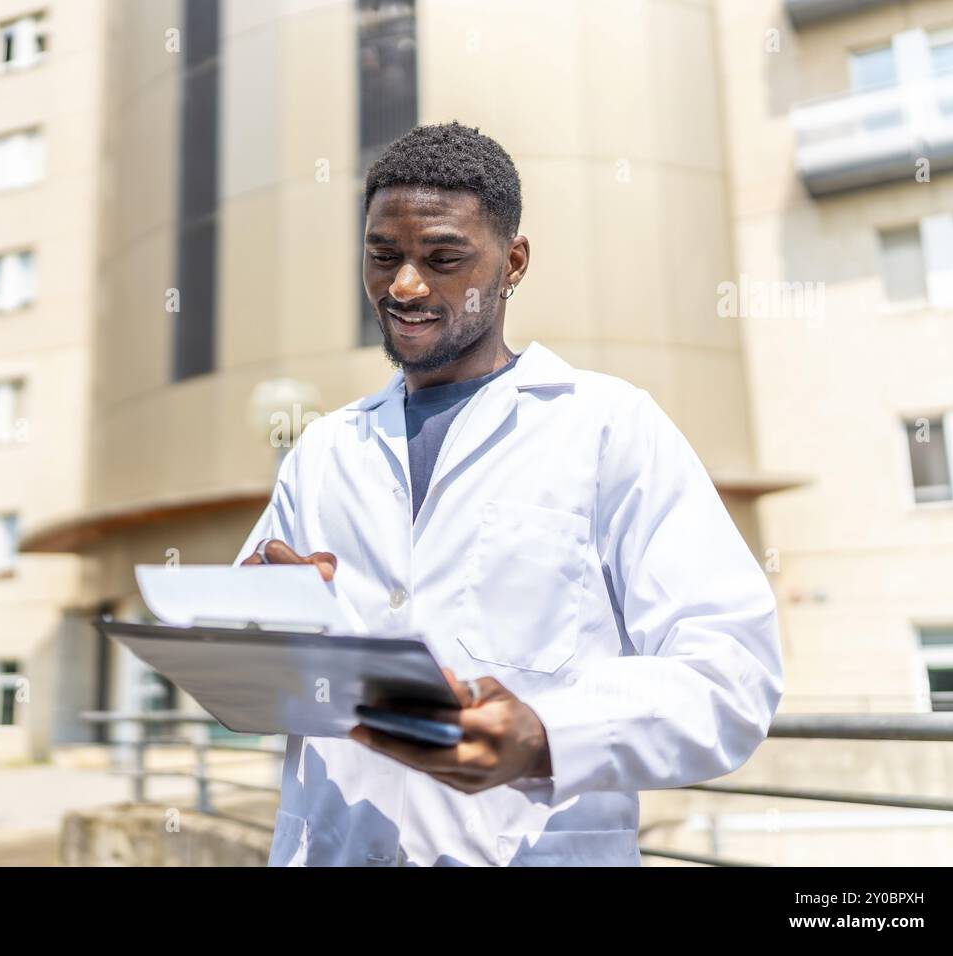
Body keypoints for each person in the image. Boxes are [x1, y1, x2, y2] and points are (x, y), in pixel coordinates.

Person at [236, 121, 782, 867]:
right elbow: (252, 683)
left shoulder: (607, 428)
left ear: (512, 263)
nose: (404, 286)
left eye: (444, 258)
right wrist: (260, 615)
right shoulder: (323, 451)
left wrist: (545, 737)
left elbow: (732, 674)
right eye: (382, 256)